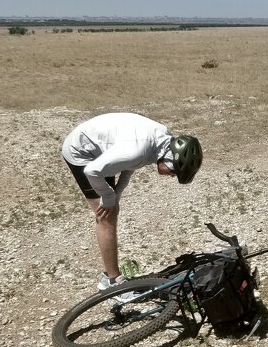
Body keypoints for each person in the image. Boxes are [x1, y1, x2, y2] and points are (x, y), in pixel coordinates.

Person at [62, 112, 202, 290]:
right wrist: (108, 195)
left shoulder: (162, 142)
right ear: (170, 156)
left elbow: (129, 167)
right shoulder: (136, 150)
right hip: (81, 151)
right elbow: (92, 171)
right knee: (107, 216)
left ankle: (112, 276)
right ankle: (111, 282)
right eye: (174, 171)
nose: (172, 176)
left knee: (112, 206)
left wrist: (116, 194)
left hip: (101, 146)